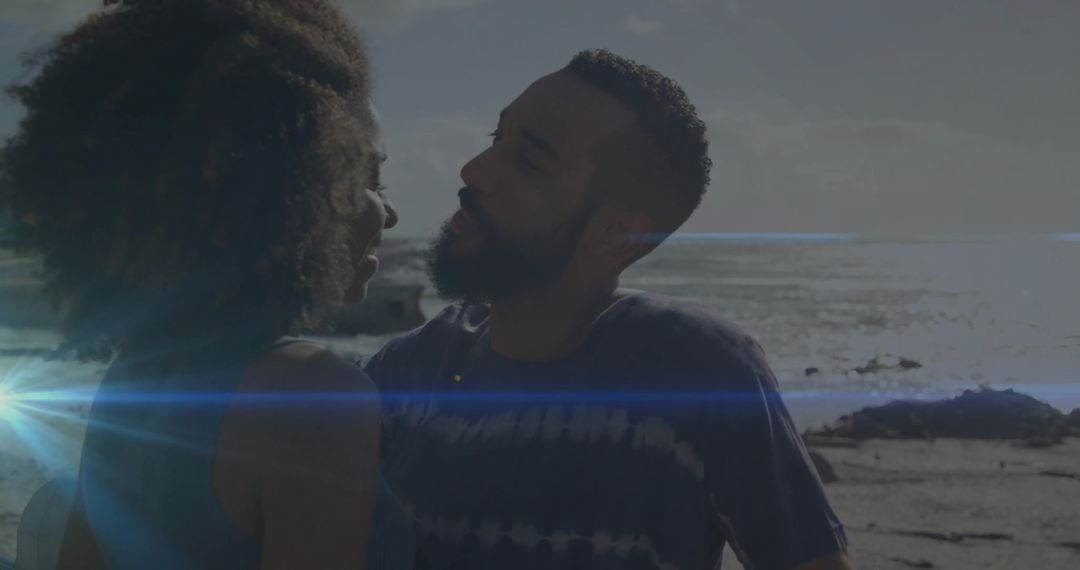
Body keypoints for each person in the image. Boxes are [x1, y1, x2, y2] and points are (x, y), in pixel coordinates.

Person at [364, 49, 852, 569]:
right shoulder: (406, 372)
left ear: (616, 232)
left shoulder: (694, 373)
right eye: (496, 139)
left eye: (529, 160)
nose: (475, 171)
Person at [1, 0, 414, 568]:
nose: (389, 214)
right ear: (289, 189)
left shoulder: (135, 380)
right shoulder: (314, 395)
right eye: (368, 175)